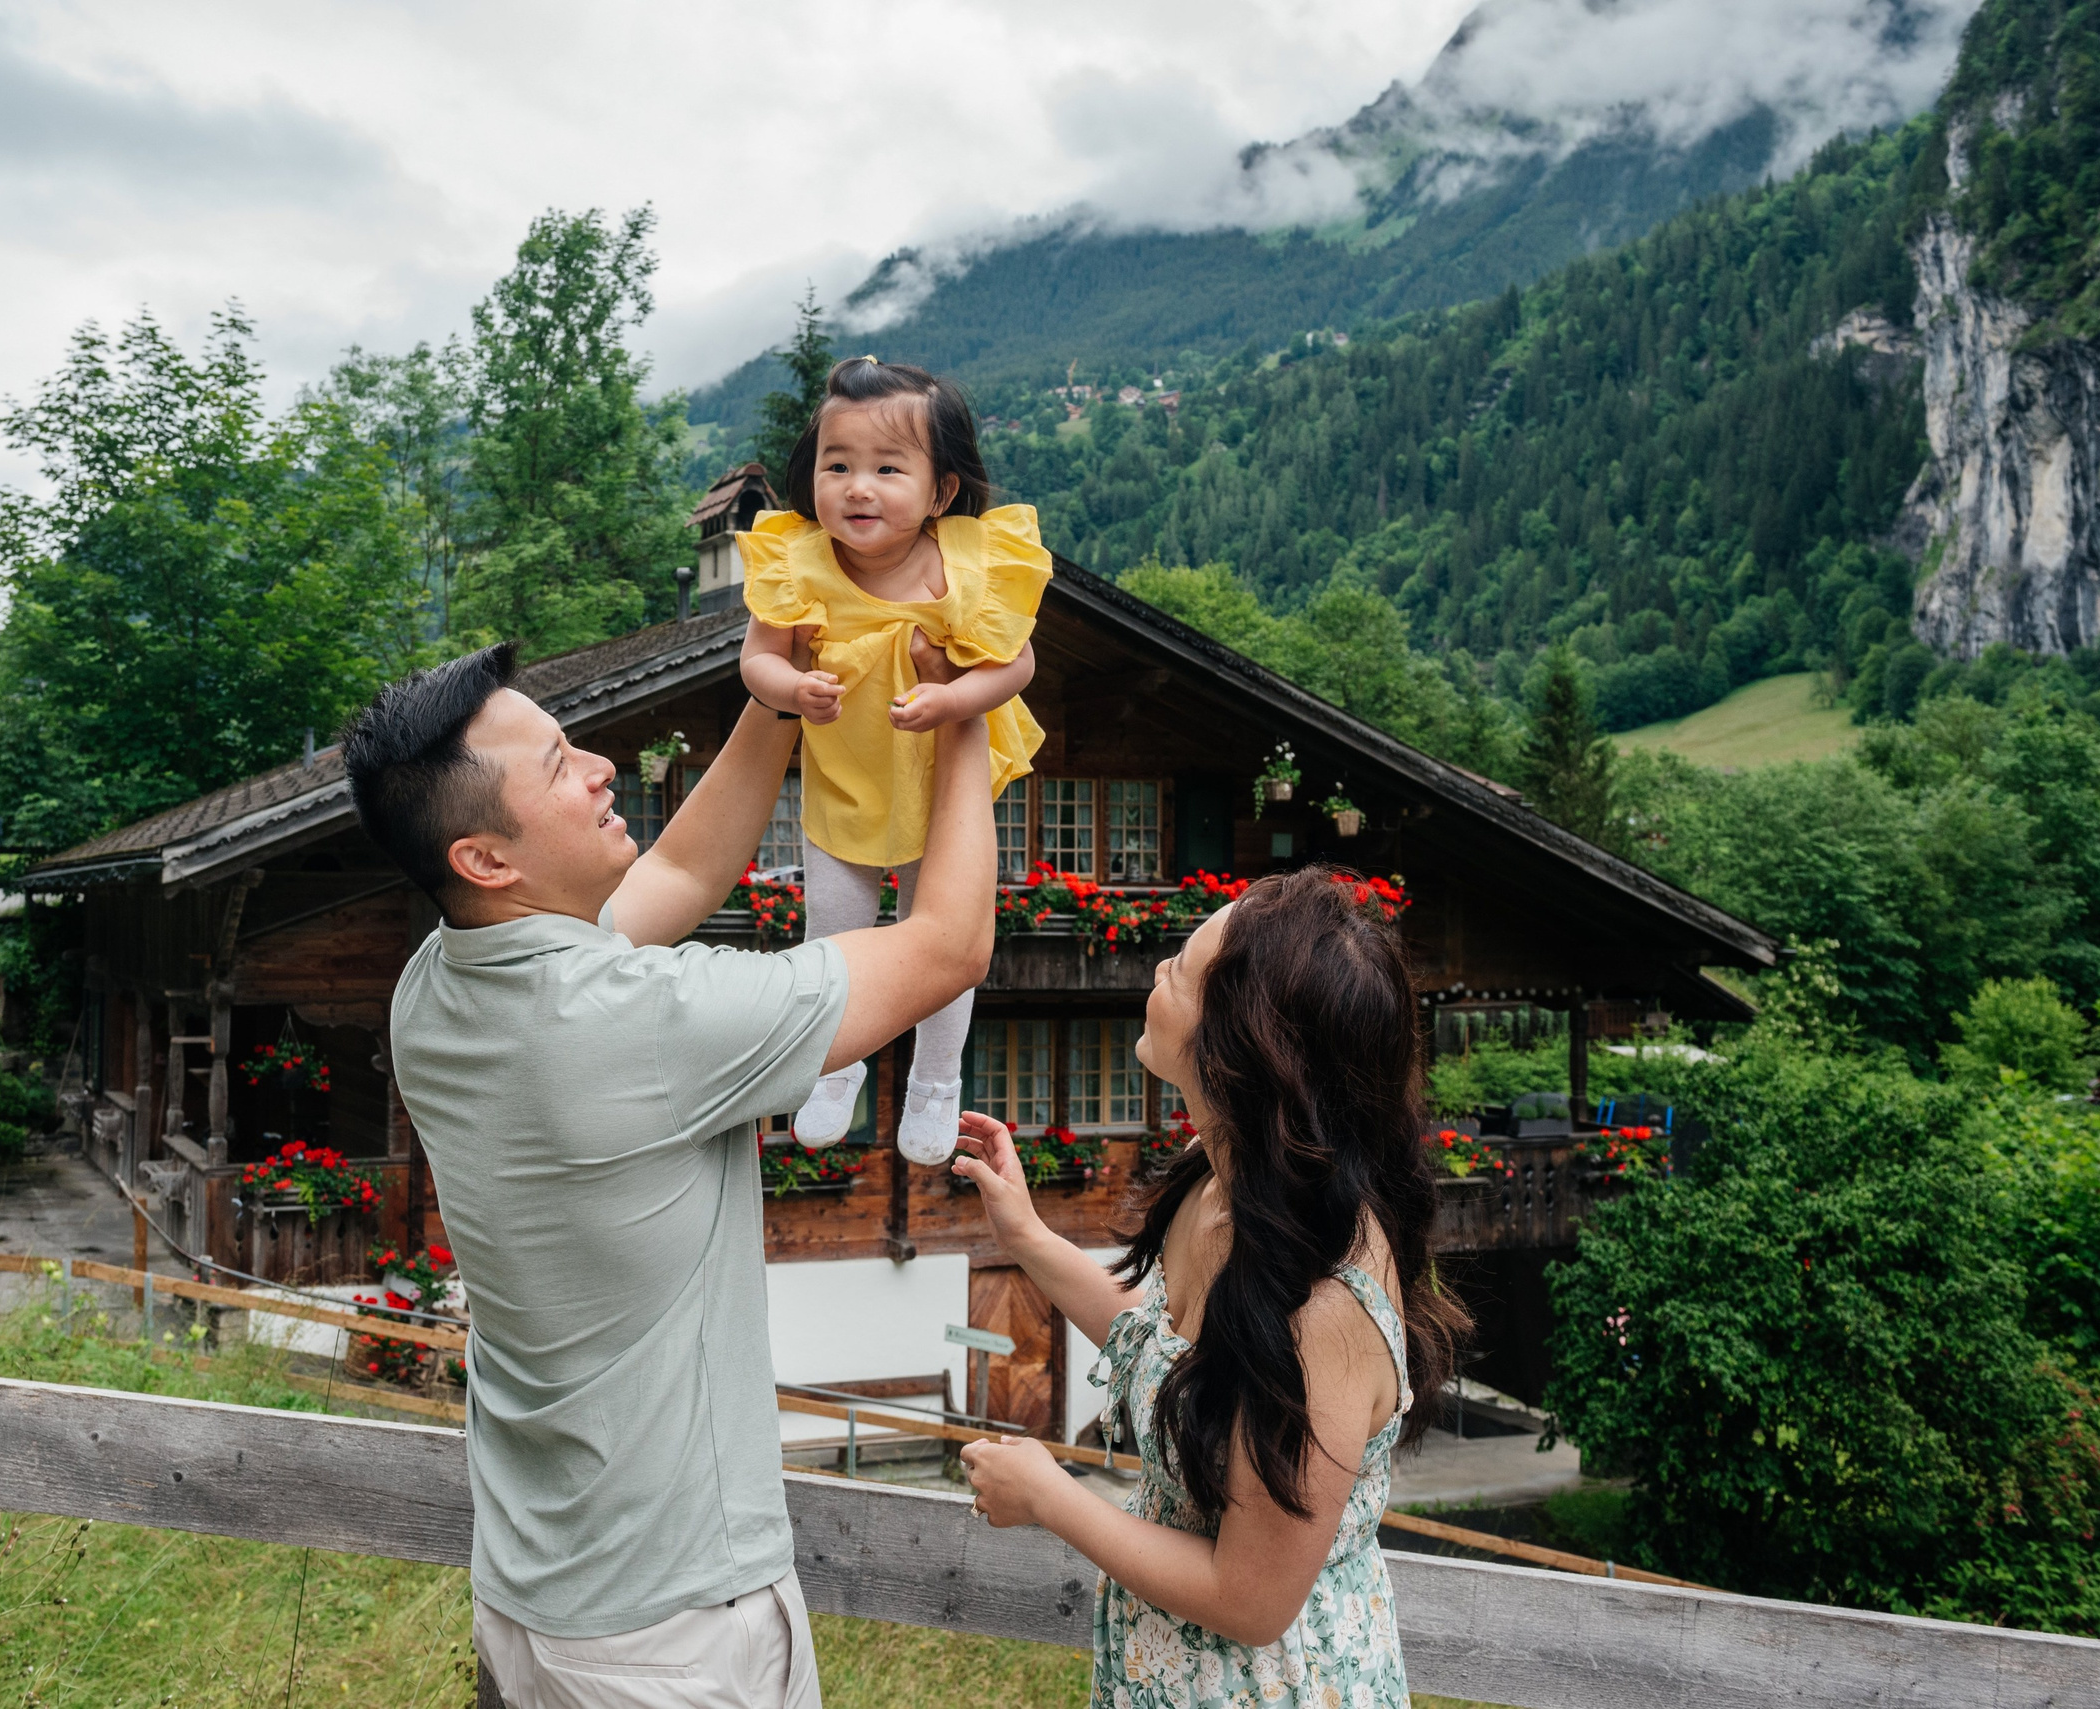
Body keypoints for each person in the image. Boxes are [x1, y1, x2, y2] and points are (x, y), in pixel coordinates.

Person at [343, 638, 996, 1709]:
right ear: (486, 858)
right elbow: (949, 944)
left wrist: (776, 696)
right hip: (672, 1632)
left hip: (537, 1592)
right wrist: (965, 710)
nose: (601, 767)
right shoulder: (635, 1022)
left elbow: (682, 872)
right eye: (559, 766)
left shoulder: (436, 986)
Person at [954, 866, 1470, 1709]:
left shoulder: (1328, 1303)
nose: (1158, 969)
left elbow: (1252, 1599)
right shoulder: (1225, 1179)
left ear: (1238, 1049)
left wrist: (1053, 1498)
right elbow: (1170, 1350)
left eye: (1182, 969)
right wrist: (1027, 1236)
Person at [737, 355, 1048, 1165]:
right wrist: (792, 688)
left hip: (945, 787)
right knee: (834, 931)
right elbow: (756, 660)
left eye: (886, 468)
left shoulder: (966, 562)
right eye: (837, 466)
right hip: (848, 777)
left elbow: (1016, 664)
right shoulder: (798, 561)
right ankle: (833, 1066)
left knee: (940, 942)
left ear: (941, 491)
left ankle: (936, 1081)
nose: (858, 488)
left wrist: (952, 700)